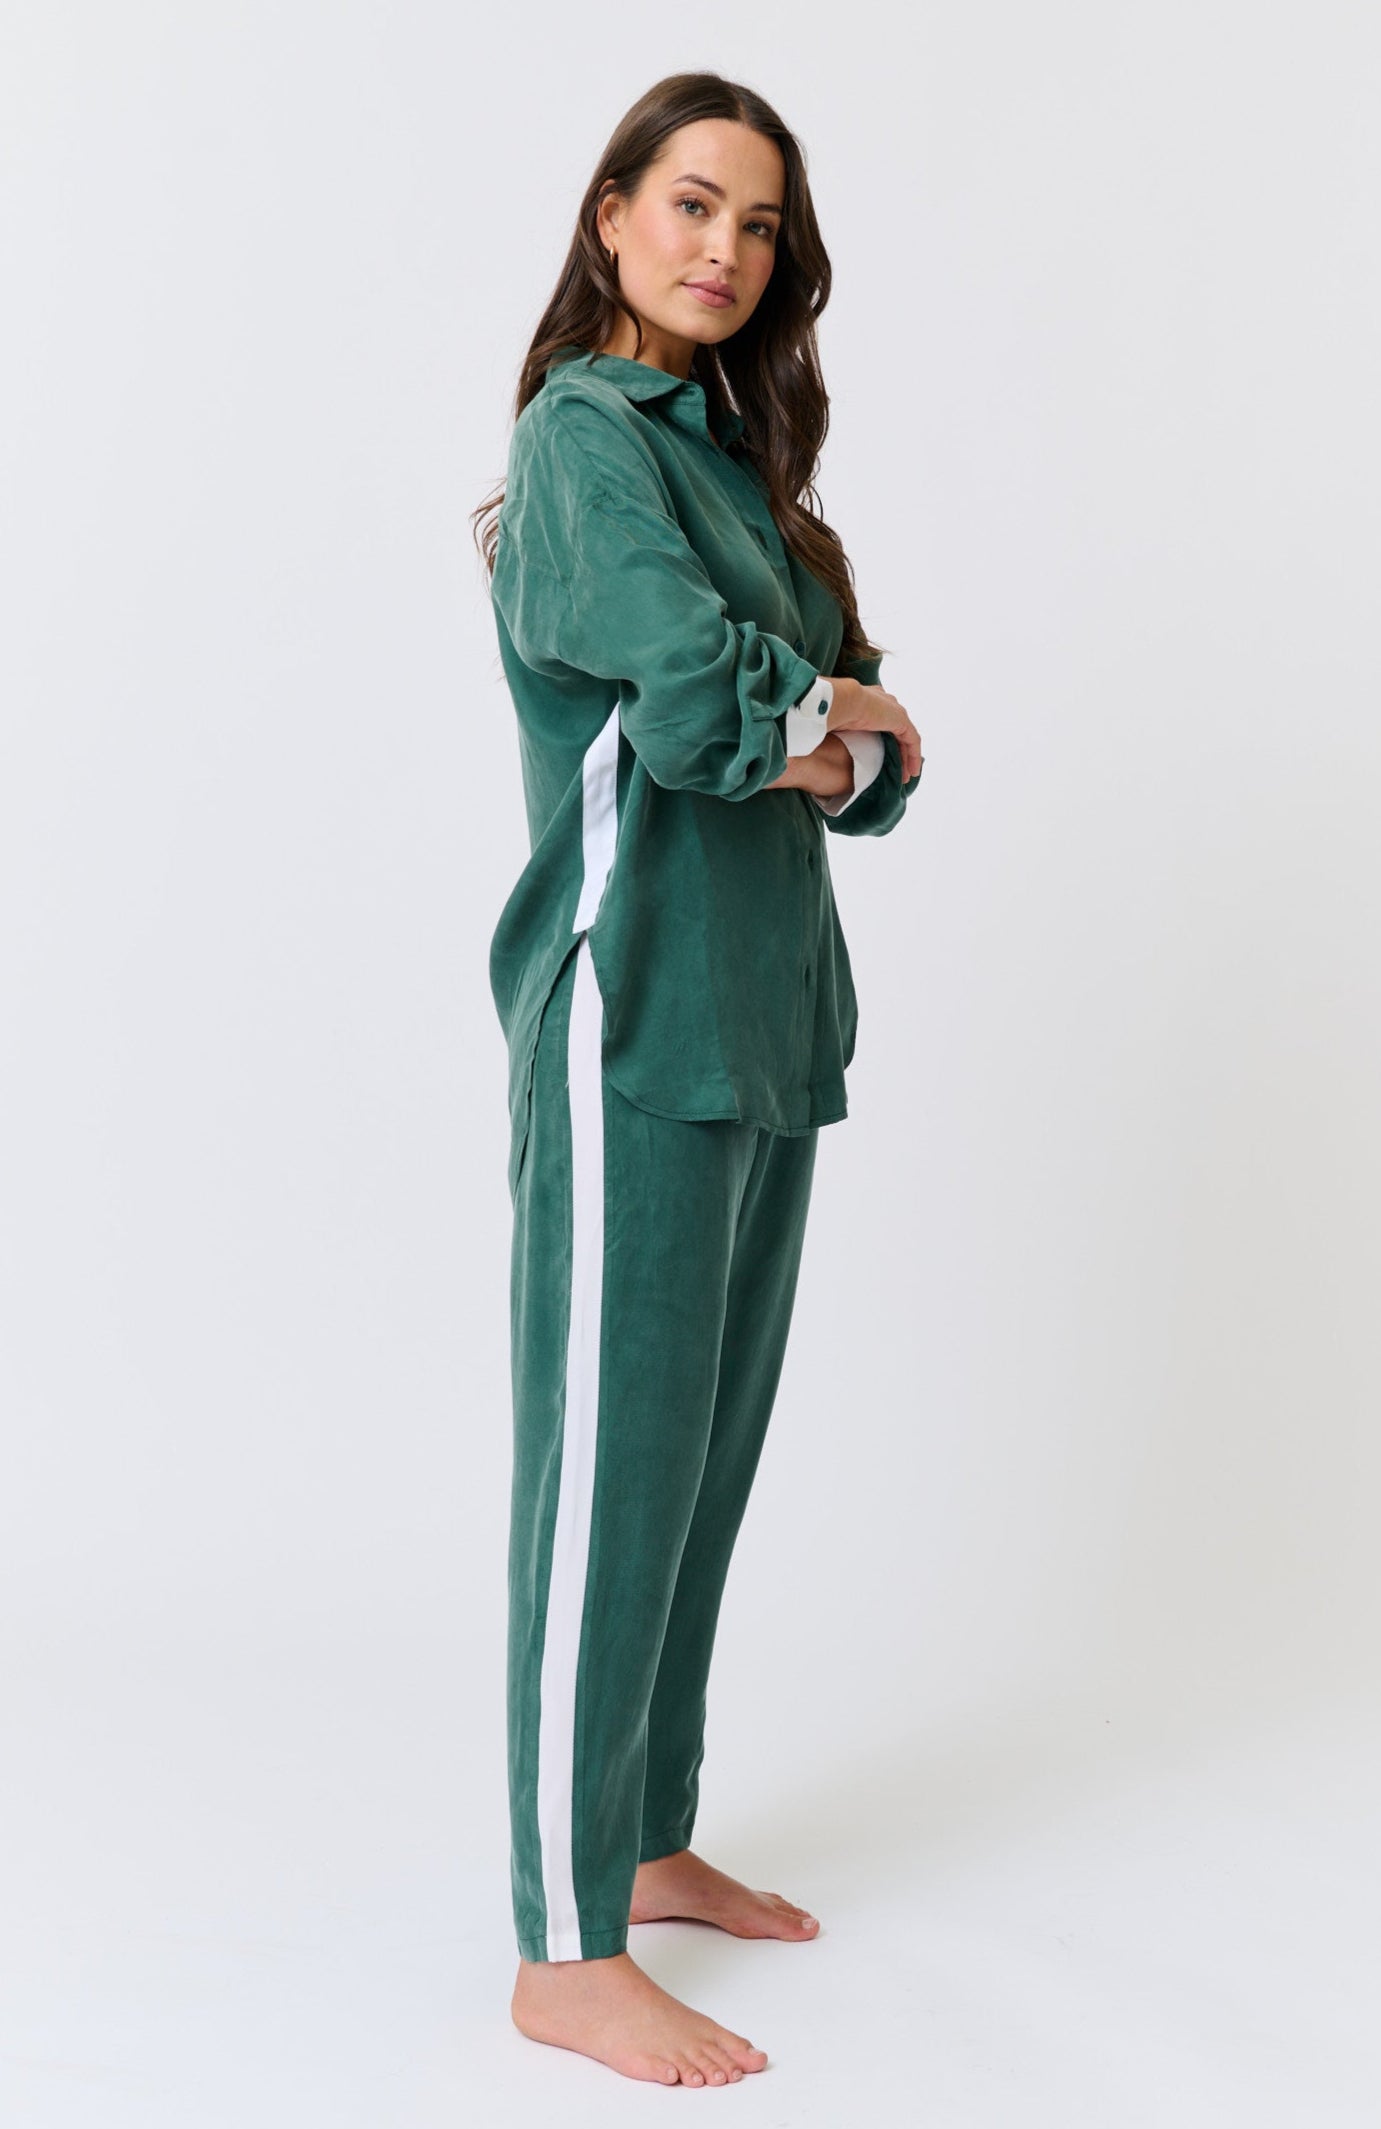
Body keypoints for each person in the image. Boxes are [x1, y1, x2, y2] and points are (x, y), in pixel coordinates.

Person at [473, 71, 923, 2089]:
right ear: (611, 215)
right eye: (689, 203)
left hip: (769, 1022)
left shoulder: (742, 472)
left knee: (702, 1473)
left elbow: (880, 759)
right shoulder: (583, 439)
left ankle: (645, 1838)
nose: (722, 248)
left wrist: (839, 731)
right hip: (630, 1013)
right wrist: (830, 722)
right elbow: (688, 709)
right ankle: (564, 1950)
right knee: (608, 1484)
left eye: (756, 224)